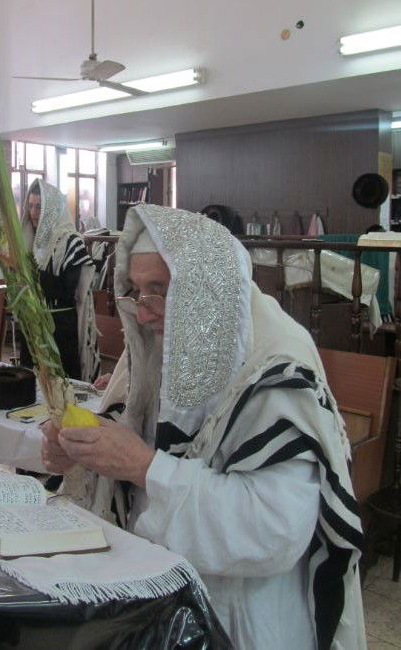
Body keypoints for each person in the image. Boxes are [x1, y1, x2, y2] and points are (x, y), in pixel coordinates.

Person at [41, 204, 365, 650]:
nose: (143, 313)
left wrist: (144, 467)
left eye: (159, 290)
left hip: (240, 615)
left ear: (206, 288)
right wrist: (84, 450)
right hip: (154, 594)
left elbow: (276, 530)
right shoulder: (157, 343)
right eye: (136, 291)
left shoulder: (275, 369)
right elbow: (132, 428)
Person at [21, 179, 100, 382]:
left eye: (39, 207)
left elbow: (68, 290)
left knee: (62, 386)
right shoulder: (32, 242)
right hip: (34, 325)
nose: (34, 212)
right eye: (30, 206)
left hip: (60, 328)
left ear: (52, 209)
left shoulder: (71, 242)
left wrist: (32, 279)